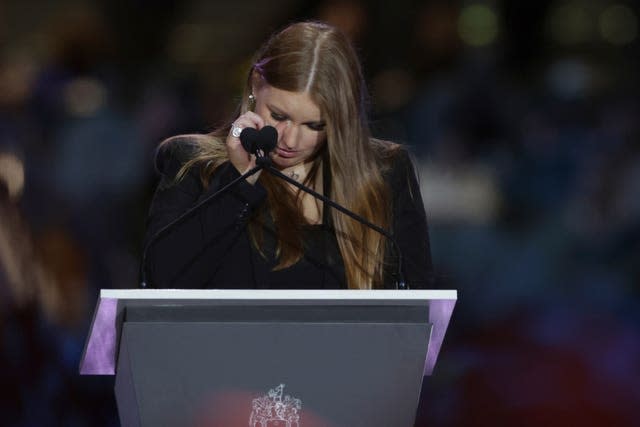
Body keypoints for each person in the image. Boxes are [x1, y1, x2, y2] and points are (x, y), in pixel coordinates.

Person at [142, 21, 433, 290]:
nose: (290, 140)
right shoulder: (193, 164)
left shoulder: (385, 173)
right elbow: (161, 281)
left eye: (315, 125)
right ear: (256, 83)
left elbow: (418, 308)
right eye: (279, 115)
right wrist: (239, 180)